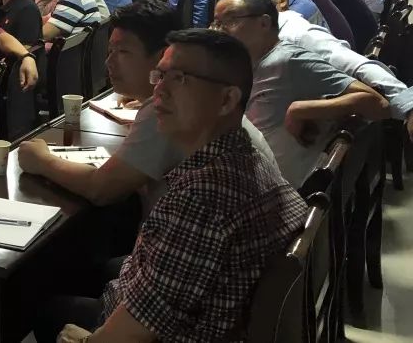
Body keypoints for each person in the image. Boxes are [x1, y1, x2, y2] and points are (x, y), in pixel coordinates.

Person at [37, 30, 308, 343]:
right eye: (161, 75)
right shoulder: (242, 154)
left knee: (49, 309)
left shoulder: (202, 198)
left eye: (180, 79)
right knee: (95, 265)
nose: (159, 90)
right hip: (209, 307)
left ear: (226, 100)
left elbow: (133, 332)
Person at [19, 0, 273, 217]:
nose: (109, 62)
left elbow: (102, 189)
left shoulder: (173, 113)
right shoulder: (196, 105)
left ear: (164, 55)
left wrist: (42, 160)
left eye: (123, 51)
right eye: (110, 51)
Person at [212, 0, 389, 186]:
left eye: (231, 21)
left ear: (264, 23)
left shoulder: (288, 59)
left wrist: (301, 110)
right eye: (216, 23)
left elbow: (378, 103)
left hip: (274, 189)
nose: (220, 31)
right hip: (252, 175)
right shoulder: (247, 64)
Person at [228, 0, 413, 139]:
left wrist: (409, 107)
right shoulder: (258, 37)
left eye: (234, 18)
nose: (220, 27)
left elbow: (355, 64)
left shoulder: (294, 33)